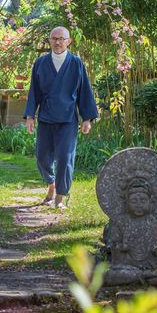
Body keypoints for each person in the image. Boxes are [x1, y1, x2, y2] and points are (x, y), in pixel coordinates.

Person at [24, 26, 99, 209]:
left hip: (68, 120)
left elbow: (84, 91)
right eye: (54, 38)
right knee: (42, 157)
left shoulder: (76, 63)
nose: (57, 42)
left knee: (65, 158)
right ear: (49, 41)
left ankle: (60, 197)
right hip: (46, 117)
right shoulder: (40, 63)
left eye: (61, 38)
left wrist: (87, 118)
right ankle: (51, 184)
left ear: (69, 41)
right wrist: (30, 116)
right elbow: (33, 91)